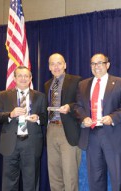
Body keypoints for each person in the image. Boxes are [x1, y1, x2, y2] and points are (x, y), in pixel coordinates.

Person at [64, 53, 121, 191]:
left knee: (117, 179)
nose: (96, 66)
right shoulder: (83, 85)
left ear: (107, 65)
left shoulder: (120, 83)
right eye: (93, 64)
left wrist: (112, 117)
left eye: (100, 63)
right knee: (95, 179)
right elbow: (78, 106)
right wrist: (83, 118)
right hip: (92, 136)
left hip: (113, 135)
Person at [0, 66, 47, 191]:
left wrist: (37, 118)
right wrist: (10, 114)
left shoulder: (40, 96)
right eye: (20, 76)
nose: (23, 78)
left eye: (26, 76)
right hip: (10, 143)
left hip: (31, 144)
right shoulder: (3, 95)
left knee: (31, 182)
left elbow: (45, 117)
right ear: (15, 78)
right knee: (9, 182)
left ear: (30, 78)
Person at [44, 53, 82, 191]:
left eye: (59, 63)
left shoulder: (76, 80)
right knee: (54, 173)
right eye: (52, 64)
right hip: (51, 130)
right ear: (49, 67)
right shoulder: (47, 84)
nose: (56, 66)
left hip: (68, 130)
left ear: (65, 65)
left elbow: (82, 103)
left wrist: (69, 107)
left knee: (69, 173)